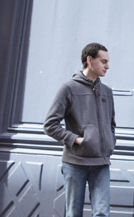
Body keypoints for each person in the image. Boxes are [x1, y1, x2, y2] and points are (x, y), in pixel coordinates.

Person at [44, 42, 116, 217]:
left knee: (102, 213)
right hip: (75, 163)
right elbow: (50, 124)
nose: (108, 66)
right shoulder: (68, 88)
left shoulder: (106, 91)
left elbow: (111, 123)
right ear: (90, 60)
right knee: (73, 213)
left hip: (101, 163)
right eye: (103, 61)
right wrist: (76, 140)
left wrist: (110, 141)